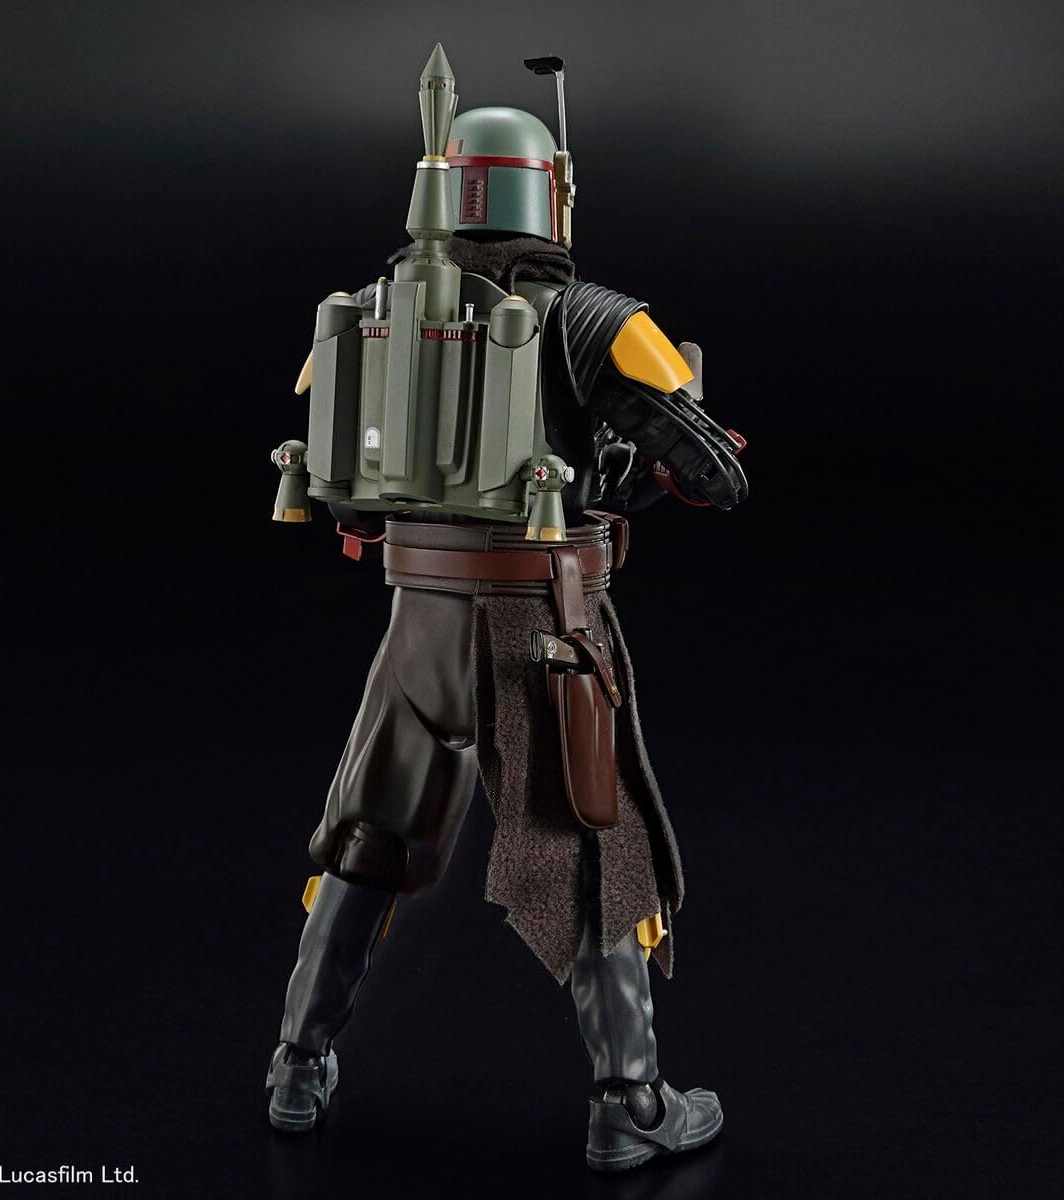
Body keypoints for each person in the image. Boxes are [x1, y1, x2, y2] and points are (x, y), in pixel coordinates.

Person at [265, 46, 747, 1172]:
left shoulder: (368, 308)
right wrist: (658, 450)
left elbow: (340, 471)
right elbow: (720, 477)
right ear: (548, 195)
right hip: (539, 625)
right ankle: (630, 1102)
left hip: (415, 630)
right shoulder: (592, 317)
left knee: (365, 837)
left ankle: (295, 1065)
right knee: (591, 847)